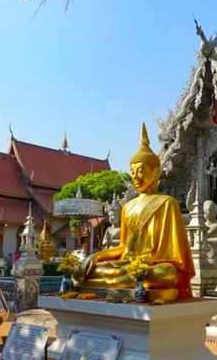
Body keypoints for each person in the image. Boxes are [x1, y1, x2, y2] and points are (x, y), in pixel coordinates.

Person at [75, 123, 195, 302]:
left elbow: (173, 258)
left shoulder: (167, 203)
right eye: (132, 172)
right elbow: (124, 246)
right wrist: (97, 255)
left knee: (165, 273)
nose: (136, 177)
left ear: (155, 173)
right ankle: (125, 280)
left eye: (141, 171)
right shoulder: (128, 207)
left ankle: (128, 280)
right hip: (127, 265)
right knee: (89, 269)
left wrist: (145, 267)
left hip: (154, 266)